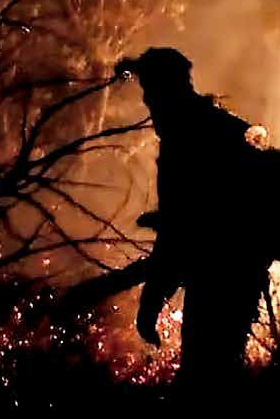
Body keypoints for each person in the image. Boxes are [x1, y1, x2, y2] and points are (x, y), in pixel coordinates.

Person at [115, 47, 271, 385]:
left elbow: (182, 231)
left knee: (205, 379)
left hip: (221, 276)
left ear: (167, 89)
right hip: (237, 273)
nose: (147, 101)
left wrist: (150, 304)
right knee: (218, 373)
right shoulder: (218, 127)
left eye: (150, 90)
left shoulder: (187, 141)